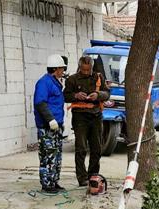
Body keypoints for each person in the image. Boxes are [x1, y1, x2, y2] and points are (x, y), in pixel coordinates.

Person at [63, 56, 110, 187]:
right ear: (79, 67)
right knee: (81, 148)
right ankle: (82, 178)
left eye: (88, 70)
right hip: (80, 117)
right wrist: (76, 96)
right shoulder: (72, 79)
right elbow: (65, 96)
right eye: (83, 69)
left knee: (96, 148)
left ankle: (93, 176)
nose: (85, 72)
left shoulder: (98, 77)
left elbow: (107, 93)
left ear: (92, 68)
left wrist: (98, 95)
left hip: (96, 116)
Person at [33, 54, 67, 194]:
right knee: (48, 155)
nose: (63, 71)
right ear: (55, 68)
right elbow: (40, 103)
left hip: (56, 127)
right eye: (61, 68)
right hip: (48, 127)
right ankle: (47, 184)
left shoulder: (55, 82)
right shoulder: (44, 82)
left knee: (56, 155)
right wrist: (50, 120)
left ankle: (54, 181)